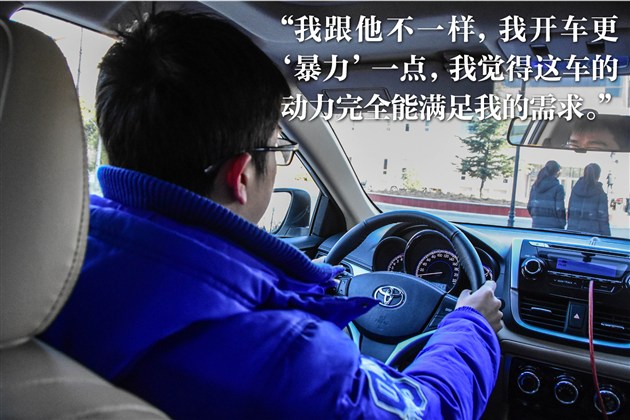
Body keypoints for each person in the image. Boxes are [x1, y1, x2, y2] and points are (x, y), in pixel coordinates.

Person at [41, 11, 503, 419]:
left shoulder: (44, 261)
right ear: (241, 175)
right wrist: (470, 325)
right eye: (279, 147)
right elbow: (428, 410)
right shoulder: (288, 357)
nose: (280, 159)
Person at [568, 163, 611, 236]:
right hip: (591, 235)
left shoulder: (575, 190)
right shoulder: (600, 194)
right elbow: (603, 219)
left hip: (572, 232)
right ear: (598, 176)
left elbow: (570, 212)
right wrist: (607, 237)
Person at [527, 160, 566, 229]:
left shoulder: (535, 186)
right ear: (557, 173)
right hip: (554, 226)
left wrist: (536, 218)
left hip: (536, 224)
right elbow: (560, 209)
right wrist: (562, 223)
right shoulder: (558, 188)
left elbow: (530, 206)